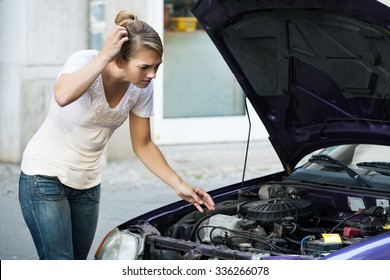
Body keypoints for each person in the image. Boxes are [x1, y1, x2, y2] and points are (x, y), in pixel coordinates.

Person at [18, 10, 215, 260]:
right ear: (120, 60)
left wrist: (180, 185)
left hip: (88, 185)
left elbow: (143, 144)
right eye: (145, 66)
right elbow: (63, 95)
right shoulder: (84, 60)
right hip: (44, 177)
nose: (152, 74)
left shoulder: (142, 88)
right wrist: (103, 57)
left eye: (156, 66)